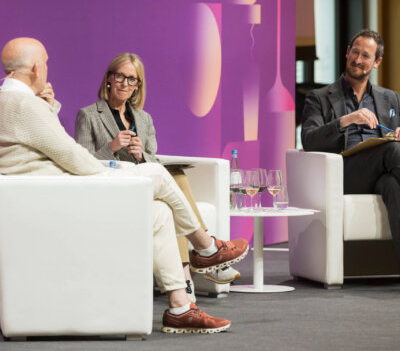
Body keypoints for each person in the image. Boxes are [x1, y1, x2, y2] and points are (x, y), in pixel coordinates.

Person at [0, 37, 249, 334]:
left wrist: (50, 107)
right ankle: (207, 248)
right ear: (37, 67)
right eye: (47, 63)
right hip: (62, 193)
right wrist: (109, 170)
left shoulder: (14, 101)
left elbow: (40, 144)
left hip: (50, 192)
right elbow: (73, 156)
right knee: (155, 175)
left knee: (158, 211)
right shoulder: (24, 104)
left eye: (133, 80)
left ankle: (181, 306)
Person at [74, 52, 241, 300]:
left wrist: (141, 156)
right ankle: (207, 251)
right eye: (120, 76)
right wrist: (111, 147)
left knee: (176, 184)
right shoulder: (89, 115)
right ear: (109, 78)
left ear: (137, 86)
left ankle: (186, 276)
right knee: (177, 182)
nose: (125, 84)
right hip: (115, 186)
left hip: (145, 183)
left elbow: (154, 160)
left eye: (132, 80)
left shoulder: (143, 119)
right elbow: (82, 163)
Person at [301, 29, 400, 262]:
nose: (358, 60)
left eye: (366, 56)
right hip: (344, 172)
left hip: (382, 173)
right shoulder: (319, 97)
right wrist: (347, 120)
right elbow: (308, 139)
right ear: (347, 53)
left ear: (377, 62)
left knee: (393, 185)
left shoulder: (391, 99)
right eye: (354, 52)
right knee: (392, 151)